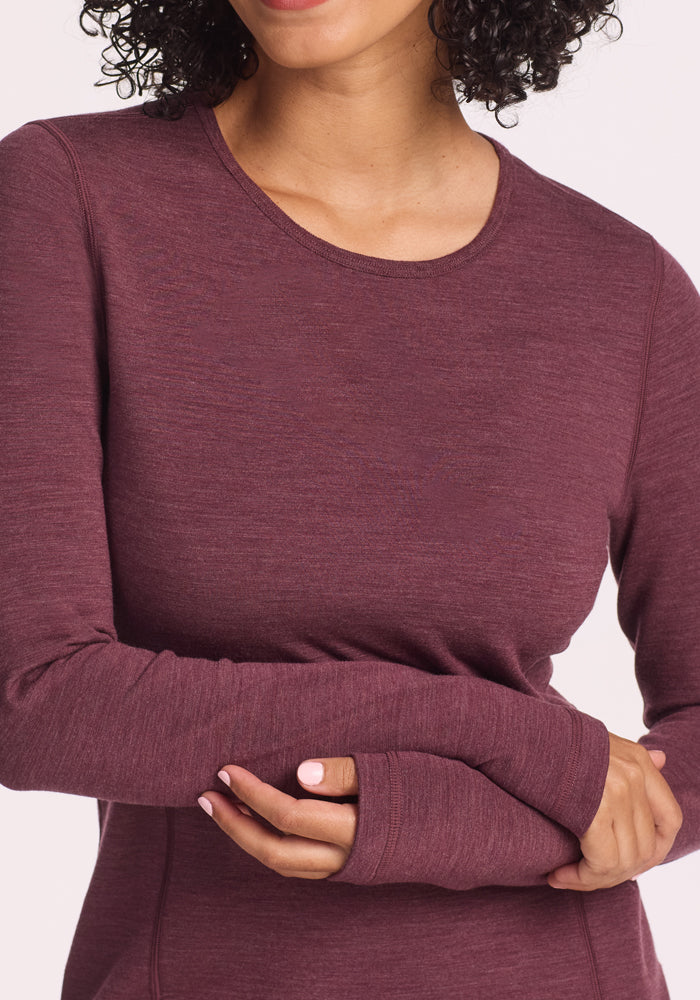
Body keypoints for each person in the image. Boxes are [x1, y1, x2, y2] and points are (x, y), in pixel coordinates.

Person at [0, 1, 697, 998]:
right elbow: (37, 701)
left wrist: (441, 823)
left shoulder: (624, 291)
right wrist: (520, 738)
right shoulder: (70, 196)